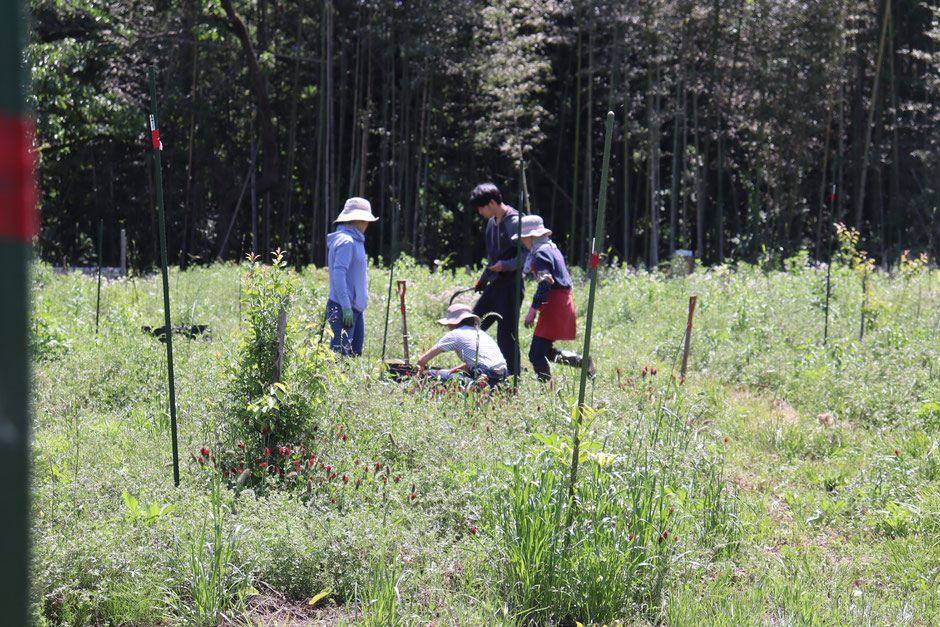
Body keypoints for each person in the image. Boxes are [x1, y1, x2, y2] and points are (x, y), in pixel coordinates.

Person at [514, 214, 594, 382]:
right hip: (562, 302)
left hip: (554, 304)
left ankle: (548, 391)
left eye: (524, 239)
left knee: (535, 354)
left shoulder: (541, 253)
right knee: (544, 350)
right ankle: (582, 361)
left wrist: (532, 310)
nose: (523, 243)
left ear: (531, 237)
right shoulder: (552, 249)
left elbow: (545, 284)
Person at [469, 182, 523, 376]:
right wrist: (482, 280)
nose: (480, 212)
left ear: (492, 203)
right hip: (495, 285)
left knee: (506, 336)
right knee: (472, 324)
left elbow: (526, 256)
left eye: (481, 208)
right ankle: (478, 369)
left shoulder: (515, 222)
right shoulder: (491, 224)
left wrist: (505, 266)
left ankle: (512, 379)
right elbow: (492, 260)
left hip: (512, 287)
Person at [325, 197, 378, 356]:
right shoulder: (347, 242)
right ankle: (332, 382)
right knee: (340, 355)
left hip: (355, 309)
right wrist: (346, 306)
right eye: (365, 220)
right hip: (343, 308)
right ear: (356, 220)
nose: (367, 225)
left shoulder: (356, 241)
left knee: (354, 354)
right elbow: (338, 275)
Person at [416, 303, 508, 387]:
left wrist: (416, 377)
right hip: (502, 380)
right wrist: (450, 371)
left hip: (482, 379)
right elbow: (474, 363)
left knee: (427, 374)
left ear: (452, 324)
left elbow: (422, 360)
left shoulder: (455, 334)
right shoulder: (481, 333)